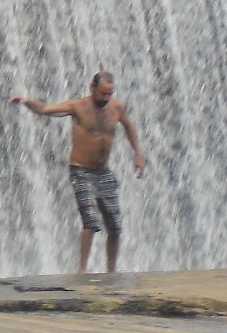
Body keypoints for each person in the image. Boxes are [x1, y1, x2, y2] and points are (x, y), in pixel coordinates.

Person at [10, 71, 147, 273]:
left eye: (110, 94)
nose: (106, 98)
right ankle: (82, 270)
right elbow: (46, 110)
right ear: (92, 88)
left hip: (103, 172)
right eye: (103, 93)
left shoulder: (116, 108)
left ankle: (111, 271)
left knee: (115, 224)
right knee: (90, 220)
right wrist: (27, 101)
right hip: (81, 171)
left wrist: (138, 154)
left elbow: (129, 127)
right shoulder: (78, 107)